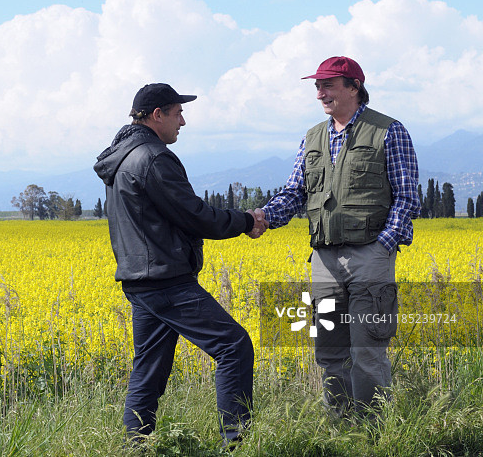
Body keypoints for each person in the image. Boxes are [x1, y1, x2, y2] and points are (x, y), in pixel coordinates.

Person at [93, 82, 267, 444]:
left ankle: (133, 446)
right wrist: (247, 221)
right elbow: (195, 215)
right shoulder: (153, 157)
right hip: (165, 279)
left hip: (139, 280)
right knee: (234, 346)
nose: (183, 122)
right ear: (157, 115)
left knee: (149, 369)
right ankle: (236, 443)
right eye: (177, 113)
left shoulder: (122, 156)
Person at [256, 56, 420, 419]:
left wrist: (383, 246)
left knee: (367, 348)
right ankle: (340, 428)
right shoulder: (313, 136)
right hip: (324, 262)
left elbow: (408, 196)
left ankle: (373, 430)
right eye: (317, 86)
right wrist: (261, 218)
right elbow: (295, 193)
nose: (319, 93)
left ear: (354, 87)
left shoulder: (388, 131)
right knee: (329, 350)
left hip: (370, 257)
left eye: (327, 85)